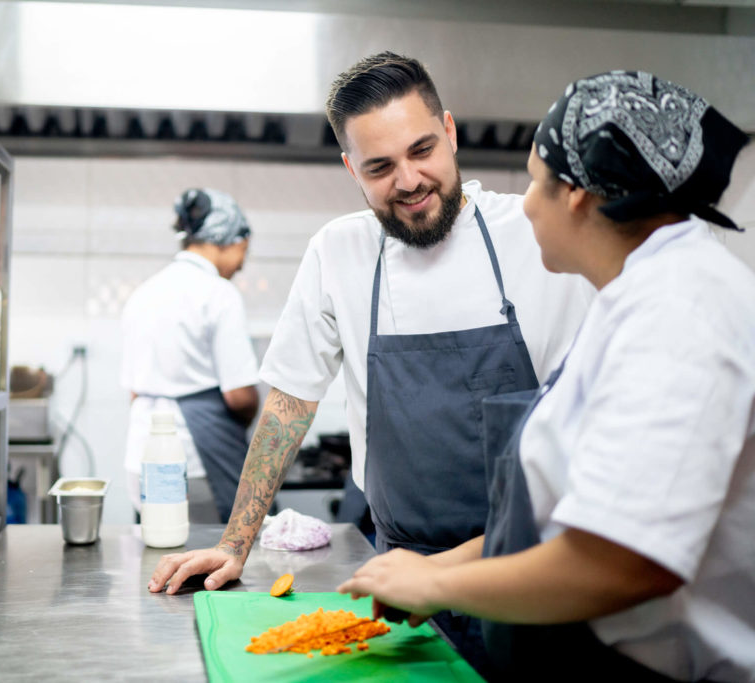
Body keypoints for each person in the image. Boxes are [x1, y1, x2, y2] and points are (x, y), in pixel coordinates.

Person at [149, 52, 592, 672]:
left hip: (527, 571)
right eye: (380, 167)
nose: (408, 180)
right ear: (350, 168)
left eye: (423, 150)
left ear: (451, 131)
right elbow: (288, 402)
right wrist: (234, 542)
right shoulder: (339, 252)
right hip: (400, 584)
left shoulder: (533, 232)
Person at [337, 70, 754, 681]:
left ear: (579, 195)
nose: (527, 203)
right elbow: (570, 514)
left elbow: (624, 563)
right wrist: (441, 567)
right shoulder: (633, 300)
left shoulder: (680, 313)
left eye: (536, 182)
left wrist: (439, 585)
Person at [120, 188, 260, 524]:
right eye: (243, 250)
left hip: (140, 452)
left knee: (158, 549)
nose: (241, 263)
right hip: (196, 461)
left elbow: (135, 392)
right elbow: (239, 395)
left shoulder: (144, 293)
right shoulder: (219, 294)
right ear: (227, 240)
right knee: (205, 557)